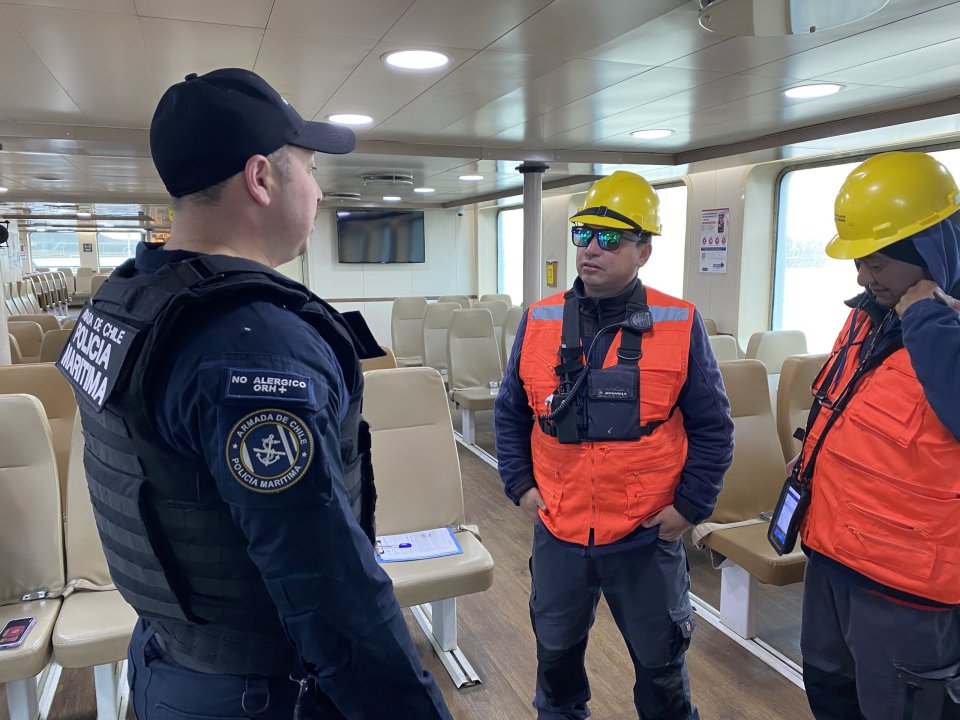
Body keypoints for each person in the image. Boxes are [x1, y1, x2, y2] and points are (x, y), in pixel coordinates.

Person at [56, 68, 452, 720]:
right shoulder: (255, 348)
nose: (319, 191)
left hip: (166, 658)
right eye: (310, 169)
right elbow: (327, 583)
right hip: (257, 693)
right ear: (261, 178)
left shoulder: (125, 304)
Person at [495, 170, 734, 719]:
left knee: (662, 674)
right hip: (559, 529)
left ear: (643, 251)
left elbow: (714, 427)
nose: (590, 249)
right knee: (555, 668)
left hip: (645, 534)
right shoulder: (538, 320)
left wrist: (690, 507)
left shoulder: (680, 322)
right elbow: (510, 411)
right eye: (583, 234)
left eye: (610, 238)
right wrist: (520, 484)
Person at [793, 151, 960, 720]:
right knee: (829, 691)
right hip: (832, 556)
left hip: (906, 589)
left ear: (928, 251)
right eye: (859, 262)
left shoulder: (937, 322)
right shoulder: (869, 313)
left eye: (876, 262)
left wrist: (928, 319)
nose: (863, 277)